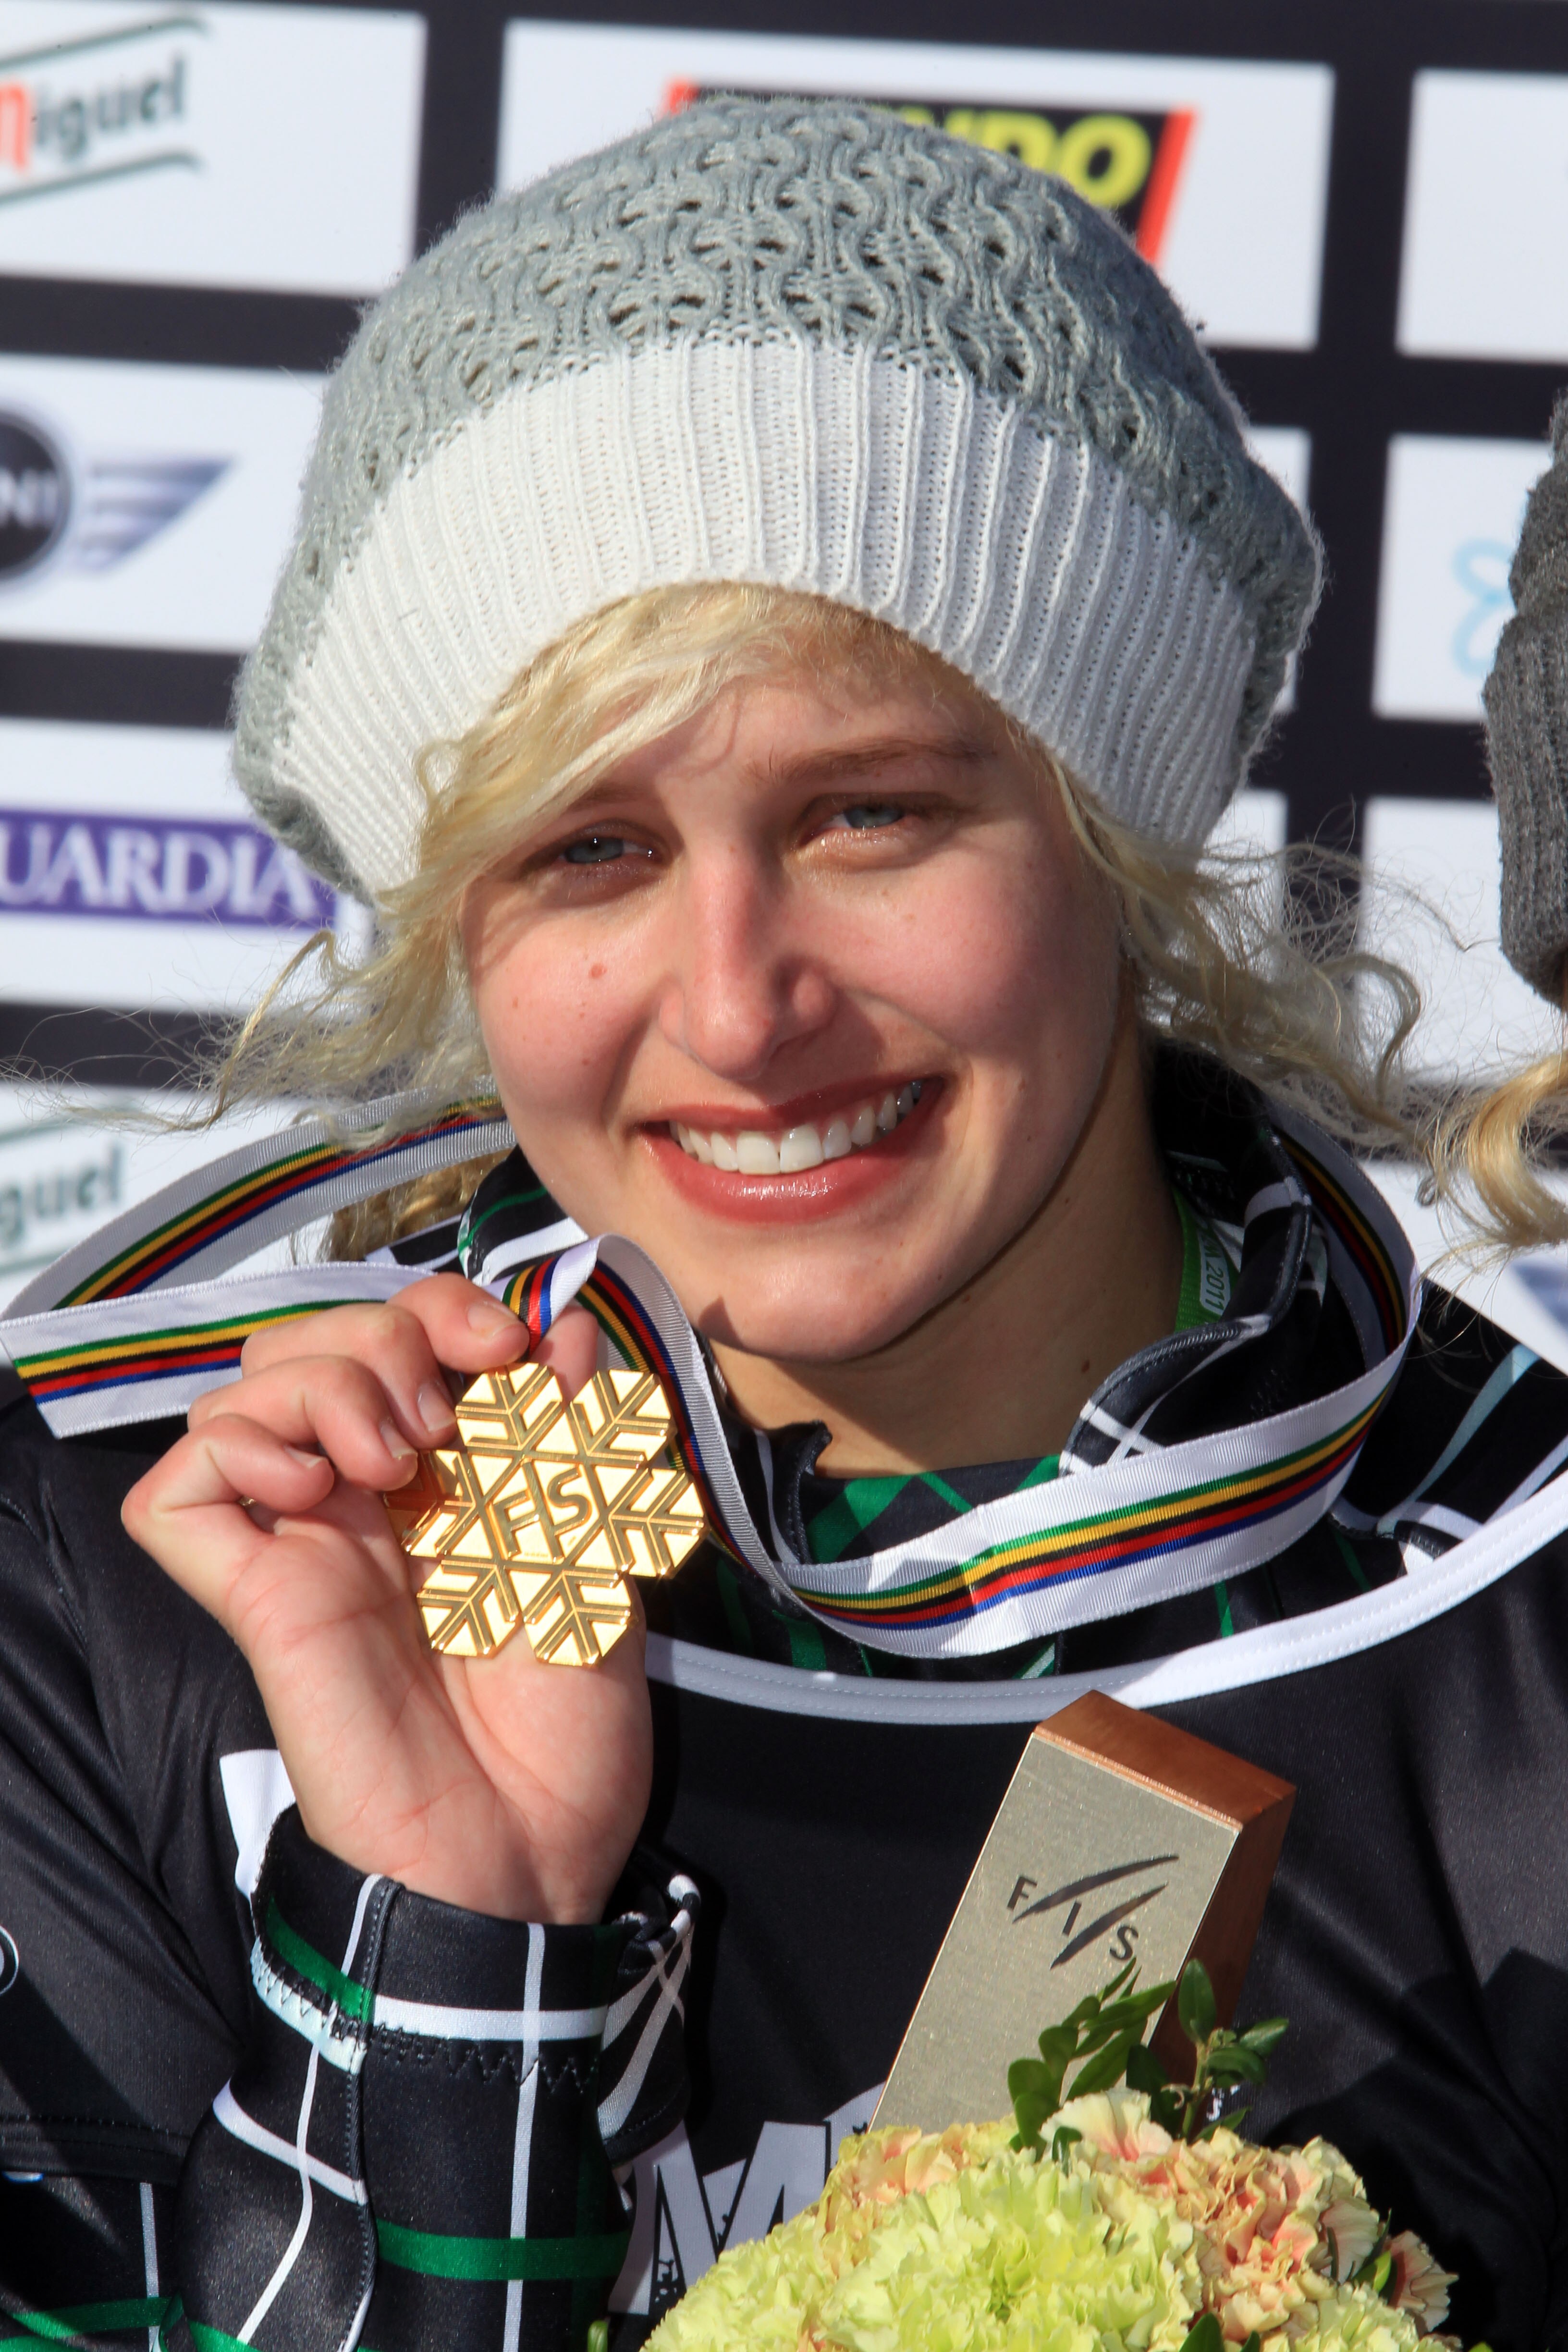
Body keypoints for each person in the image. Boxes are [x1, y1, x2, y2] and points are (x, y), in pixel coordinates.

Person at [2, 95, 1568, 2352]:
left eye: (871, 812)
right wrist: (447, 1957)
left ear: (1112, 846)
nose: (740, 1008)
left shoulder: (1515, 1617)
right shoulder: (132, 1586)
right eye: (590, 853)